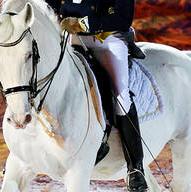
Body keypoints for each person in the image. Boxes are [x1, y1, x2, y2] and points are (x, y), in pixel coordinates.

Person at [46, 0, 148, 191]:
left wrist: (85, 24)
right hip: (72, 40)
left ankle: (135, 168)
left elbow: (121, 17)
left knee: (121, 96)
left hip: (107, 41)